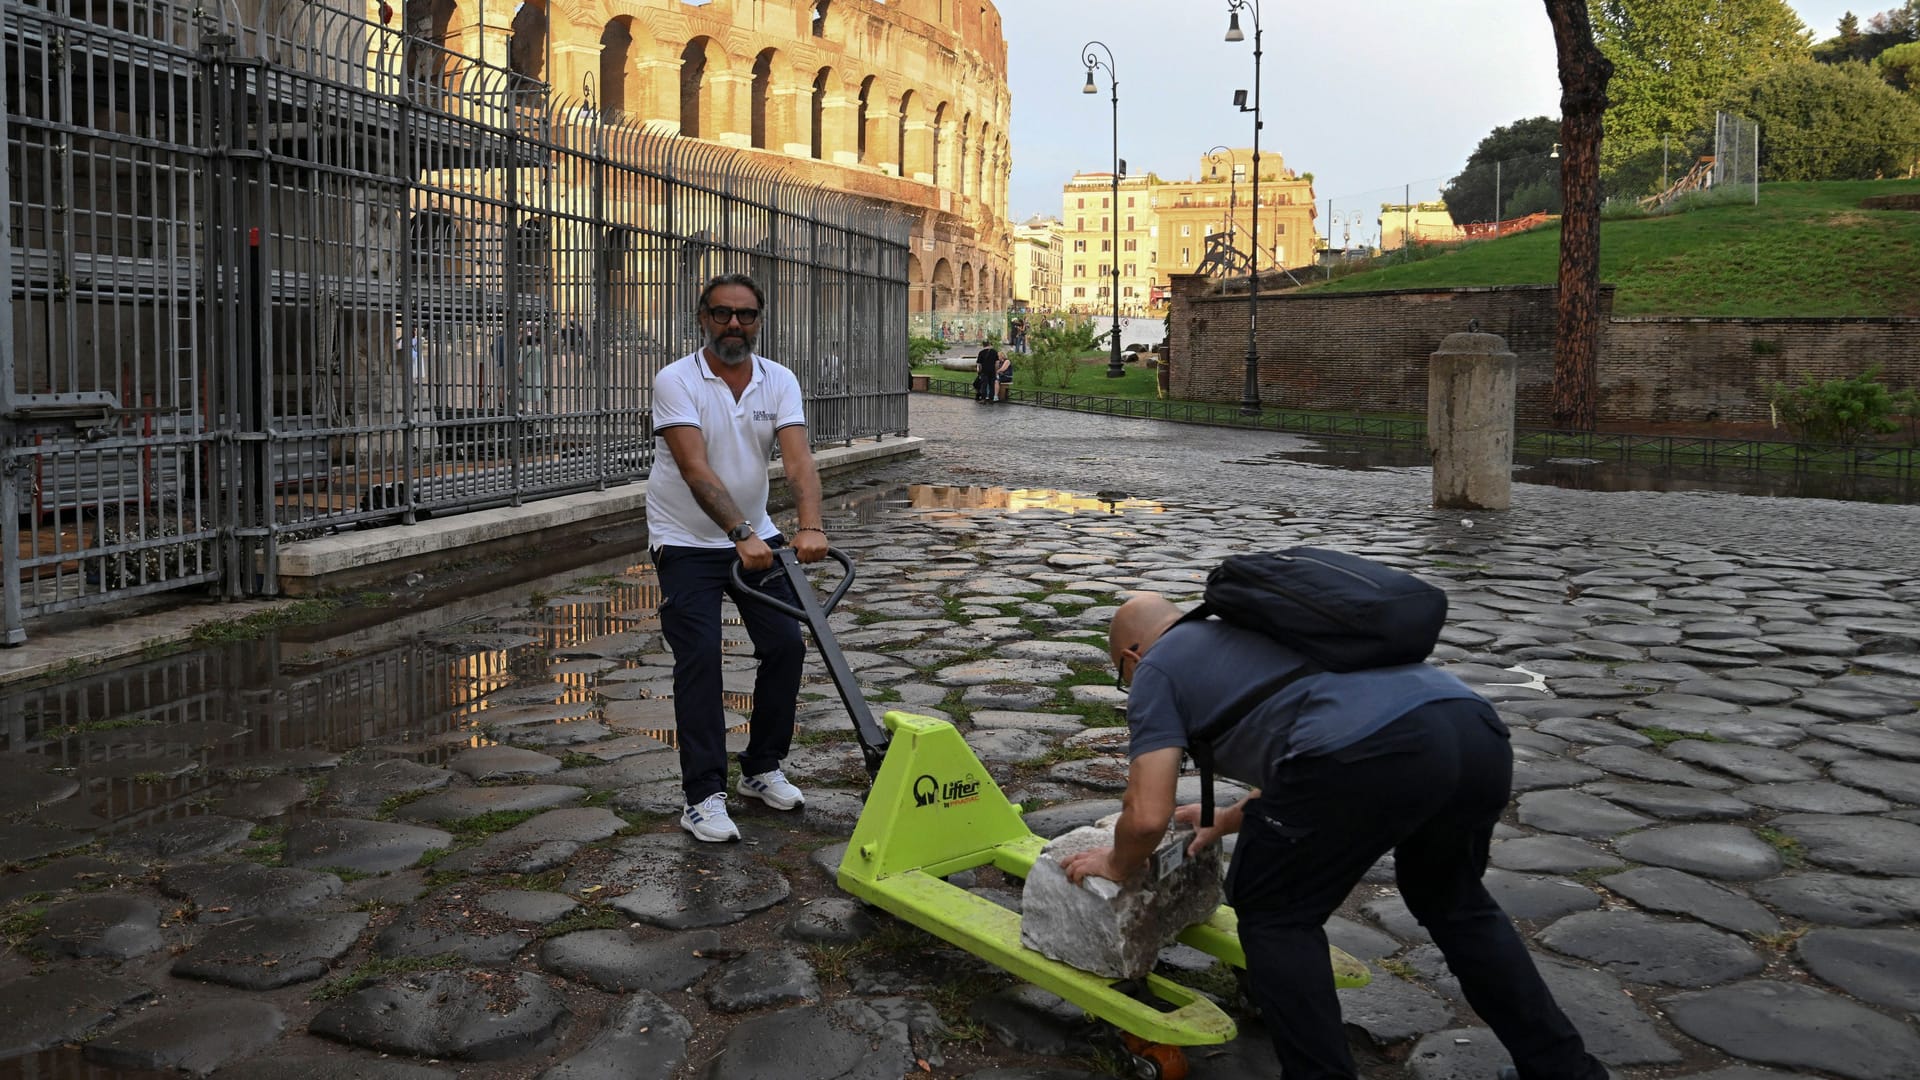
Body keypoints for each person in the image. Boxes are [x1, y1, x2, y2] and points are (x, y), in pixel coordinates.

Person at [1061, 592, 1609, 1080]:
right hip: (1472, 729)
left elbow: (1146, 814)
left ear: (1132, 655)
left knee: (1275, 912)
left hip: (1371, 751)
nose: (1129, 685)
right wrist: (1225, 820)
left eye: (1121, 675)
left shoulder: (1158, 668)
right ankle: (1563, 1068)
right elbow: (1309, 759)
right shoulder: (1250, 636)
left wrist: (1116, 864)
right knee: (1457, 906)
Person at [645, 272, 828, 843]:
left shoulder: (779, 380)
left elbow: (797, 462)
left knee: (785, 645)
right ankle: (702, 795)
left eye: (745, 315)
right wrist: (739, 531)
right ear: (703, 318)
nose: (733, 325)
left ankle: (762, 766)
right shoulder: (676, 380)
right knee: (699, 658)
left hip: (758, 534)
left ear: (758, 320)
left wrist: (810, 525)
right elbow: (695, 468)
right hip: (685, 538)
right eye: (721, 314)